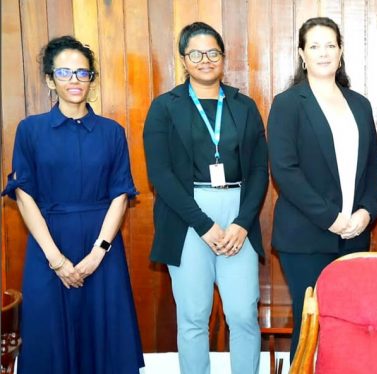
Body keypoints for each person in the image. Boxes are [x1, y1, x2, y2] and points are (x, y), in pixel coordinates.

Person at [1, 35, 144, 373]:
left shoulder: (112, 132)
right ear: (50, 79)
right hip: (48, 246)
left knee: (105, 337)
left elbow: (120, 195)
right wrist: (56, 260)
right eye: (64, 73)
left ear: (92, 79)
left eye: (82, 73)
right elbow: (24, 195)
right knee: (49, 341)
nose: (74, 81)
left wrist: (98, 253)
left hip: (101, 249)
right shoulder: (30, 130)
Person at [143, 22, 268, 374]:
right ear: (184, 60)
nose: (205, 60)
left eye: (212, 52)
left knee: (244, 313)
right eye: (195, 53)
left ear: (223, 58)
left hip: (237, 214)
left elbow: (260, 169)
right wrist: (203, 224)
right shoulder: (164, 107)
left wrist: (243, 223)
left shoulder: (244, 106)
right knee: (194, 316)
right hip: (186, 216)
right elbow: (161, 176)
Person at [267, 17, 377, 361]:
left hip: (355, 236)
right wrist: (331, 218)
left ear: (341, 51)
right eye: (314, 46)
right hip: (305, 239)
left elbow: (374, 163)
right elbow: (285, 172)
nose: (323, 53)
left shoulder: (359, 104)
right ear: (302, 54)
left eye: (330, 45)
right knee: (311, 326)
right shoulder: (288, 103)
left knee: (348, 326)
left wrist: (366, 211)